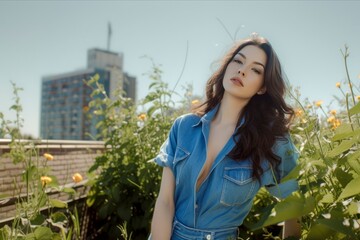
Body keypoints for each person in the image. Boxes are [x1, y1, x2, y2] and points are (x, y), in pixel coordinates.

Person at [149, 34, 301, 240]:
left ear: (263, 87)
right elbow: (165, 202)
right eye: (238, 60)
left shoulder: (271, 140)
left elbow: (295, 205)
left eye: (255, 69)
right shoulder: (184, 127)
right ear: (227, 66)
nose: (242, 70)